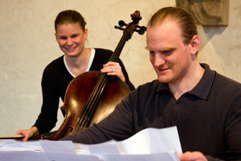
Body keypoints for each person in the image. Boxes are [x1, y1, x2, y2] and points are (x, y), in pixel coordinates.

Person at [61, 6, 241, 161]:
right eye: (151, 52)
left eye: (166, 51)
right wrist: (42, 149)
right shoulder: (140, 98)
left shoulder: (233, 98)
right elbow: (96, 136)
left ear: (193, 44)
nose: (156, 62)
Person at [15, 10, 135, 141]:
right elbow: (48, 116)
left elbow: (133, 105)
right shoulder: (52, 71)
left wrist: (123, 80)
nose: (69, 42)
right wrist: (31, 131)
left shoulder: (107, 58)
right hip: (73, 135)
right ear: (56, 37)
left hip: (108, 135)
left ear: (85, 33)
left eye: (74, 36)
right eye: (63, 37)